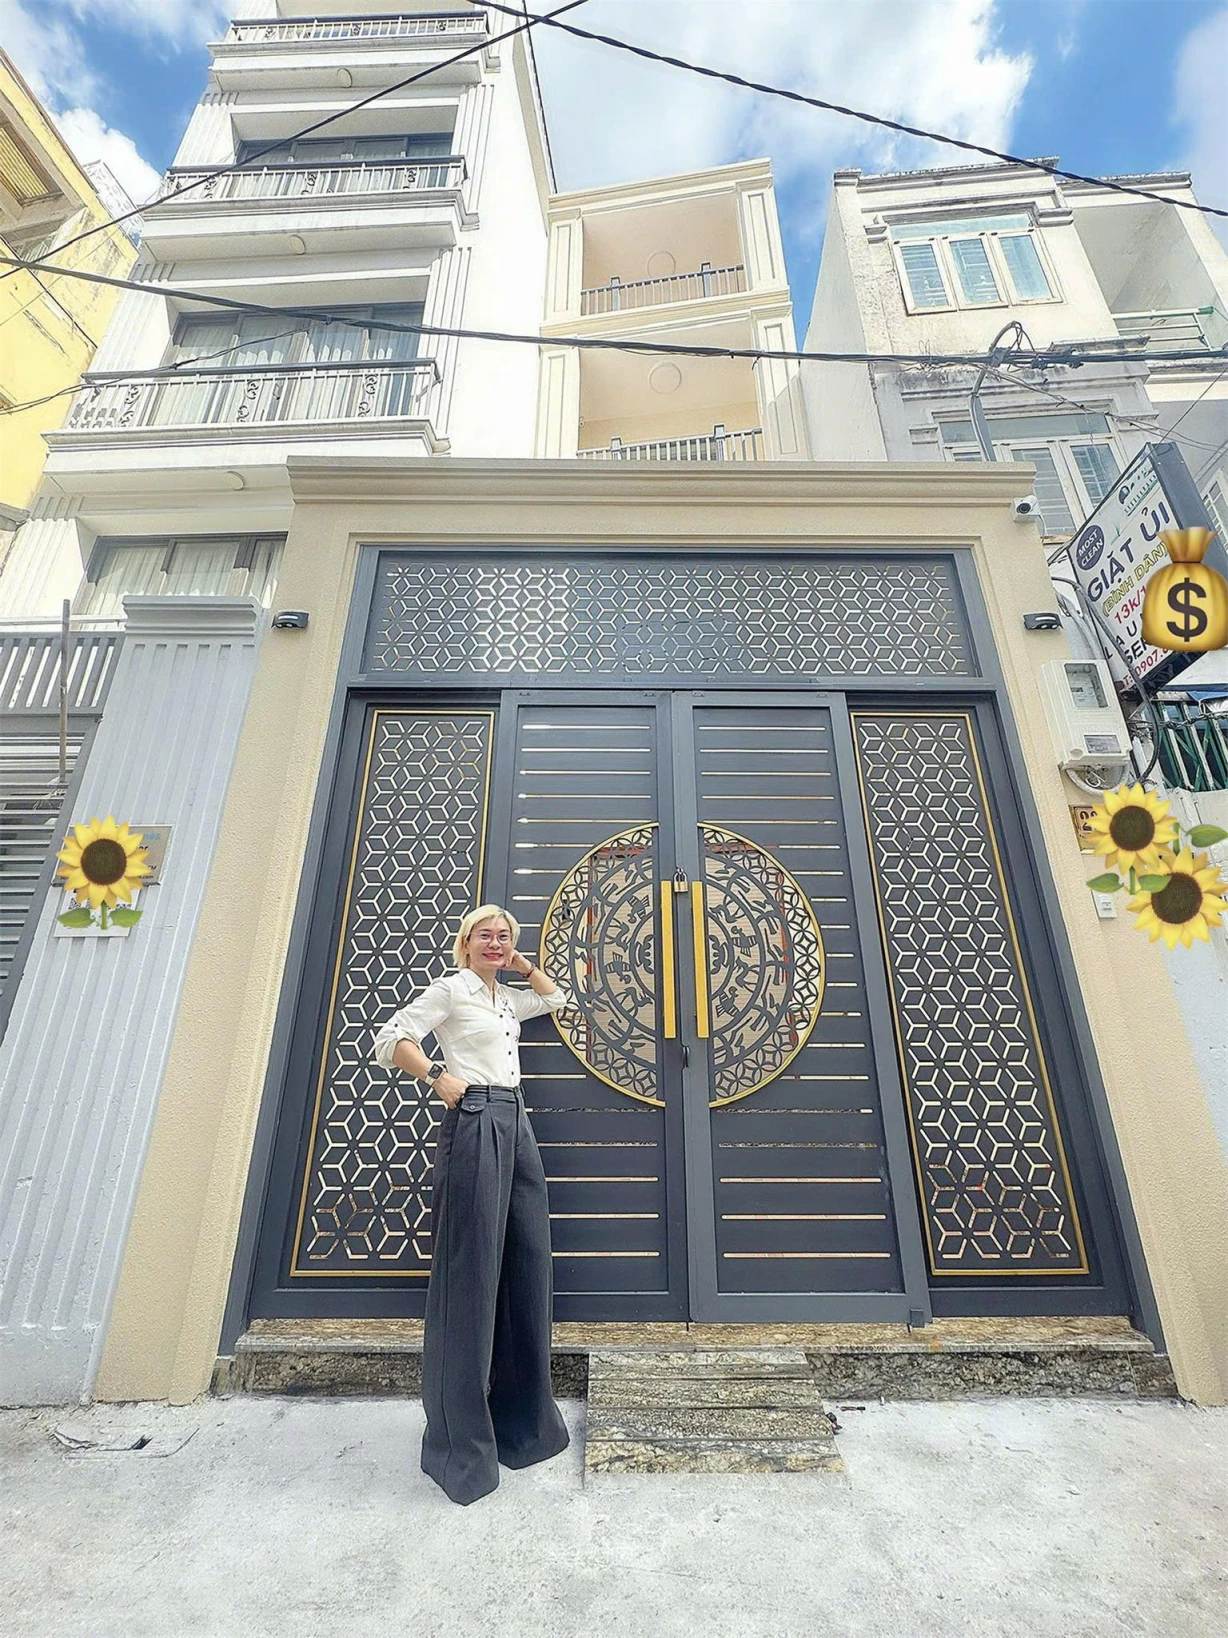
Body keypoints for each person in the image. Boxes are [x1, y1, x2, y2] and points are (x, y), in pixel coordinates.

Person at [372, 904, 572, 1505]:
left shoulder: (505, 998)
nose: (495, 942)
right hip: (477, 1114)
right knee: (472, 1273)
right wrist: (437, 1075)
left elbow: (557, 999)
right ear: (466, 942)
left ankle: (523, 1429)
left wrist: (521, 965)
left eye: (504, 936)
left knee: (526, 1263)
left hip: (517, 1121)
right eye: (486, 935)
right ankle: (459, 1447)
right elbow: (390, 1038)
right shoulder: (451, 989)